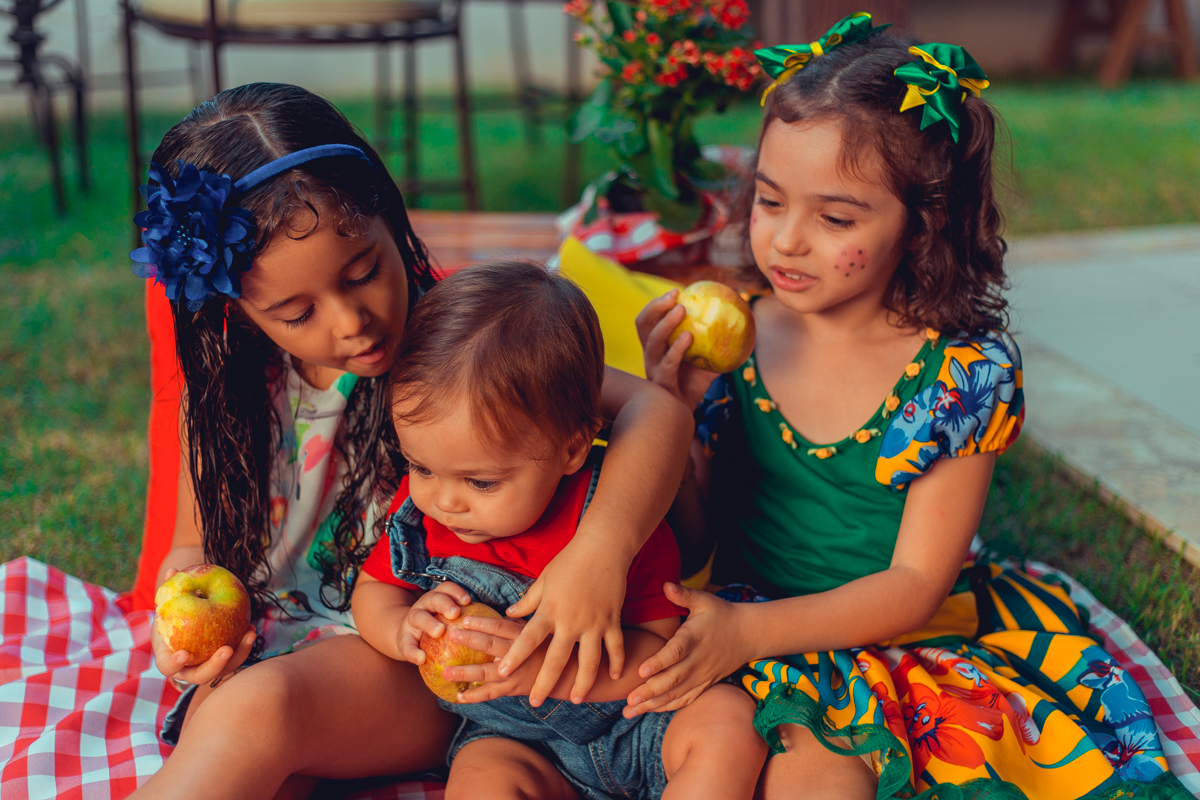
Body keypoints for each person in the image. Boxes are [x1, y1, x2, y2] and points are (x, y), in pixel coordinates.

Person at [634, 14, 1190, 800]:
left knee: (824, 786)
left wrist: (750, 635)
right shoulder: (737, 334)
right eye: (768, 202)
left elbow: (914, 584)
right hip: (741, 620)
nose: (787, 241)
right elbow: (694, 535)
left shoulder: (959, 376)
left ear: (922, 224)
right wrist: (672, 414)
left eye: (834, 219)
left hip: (893, 640)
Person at [131, 83, 694, 799]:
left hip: (417, 654)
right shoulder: (226, 395)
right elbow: (193, 549)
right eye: (296, 311)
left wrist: (599, 555)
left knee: (255, 714)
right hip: (280, 648)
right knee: (244, 747)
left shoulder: (458, 345)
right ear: (238, 311)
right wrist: (177, 629)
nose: (351, 322)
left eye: (364, 271)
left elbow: (657, 413)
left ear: (389, 221)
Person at [352, 262, 765, 800]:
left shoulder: (610, 511)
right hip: (515, 740)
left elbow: (659, 651)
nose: (444, 500)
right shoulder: (423, 516)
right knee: (481, 780)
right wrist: (399, 627)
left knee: (728, 724)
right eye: (422, 467)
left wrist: (560, 672)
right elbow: (374, 589)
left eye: (480, 481)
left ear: (572, 448)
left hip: (637, 726)